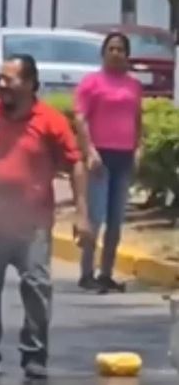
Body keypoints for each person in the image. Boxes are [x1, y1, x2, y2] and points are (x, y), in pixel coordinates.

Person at [0, 55, 91, 379]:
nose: (0, 85)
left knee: (37, 286)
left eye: (9, 79)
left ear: (29, 84)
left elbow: (76, 163)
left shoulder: (50, 121)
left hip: (32, 224)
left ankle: (35, 355)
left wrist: (82, 215)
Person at [73, 32, 143, 293]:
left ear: (127, 55)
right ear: (103, 53)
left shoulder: (133, 85)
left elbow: (137, 119)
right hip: (100, 157)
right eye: (111, 49)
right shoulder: (91, 83)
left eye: (121, 49)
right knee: (96, 216)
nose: (116, 53)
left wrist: (139, 148)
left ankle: (106, 273)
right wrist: (89, 150)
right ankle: (86, 272)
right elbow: (81, 119)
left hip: (124, 157)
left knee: (116, 221)